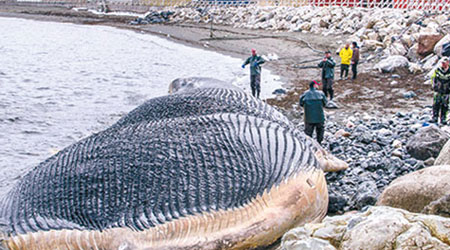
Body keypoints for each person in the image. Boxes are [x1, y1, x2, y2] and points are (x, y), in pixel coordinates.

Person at [430, 57, 450, 125]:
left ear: (448, 63)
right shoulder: (438, 70)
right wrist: (433, 86)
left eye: (444, 63)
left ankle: (443, 119)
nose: (443, 64)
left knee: (445, 105)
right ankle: (434, 117)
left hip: (446, 91)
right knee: (436, 104)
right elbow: (433, 78)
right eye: (442, 63)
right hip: (438, 91)